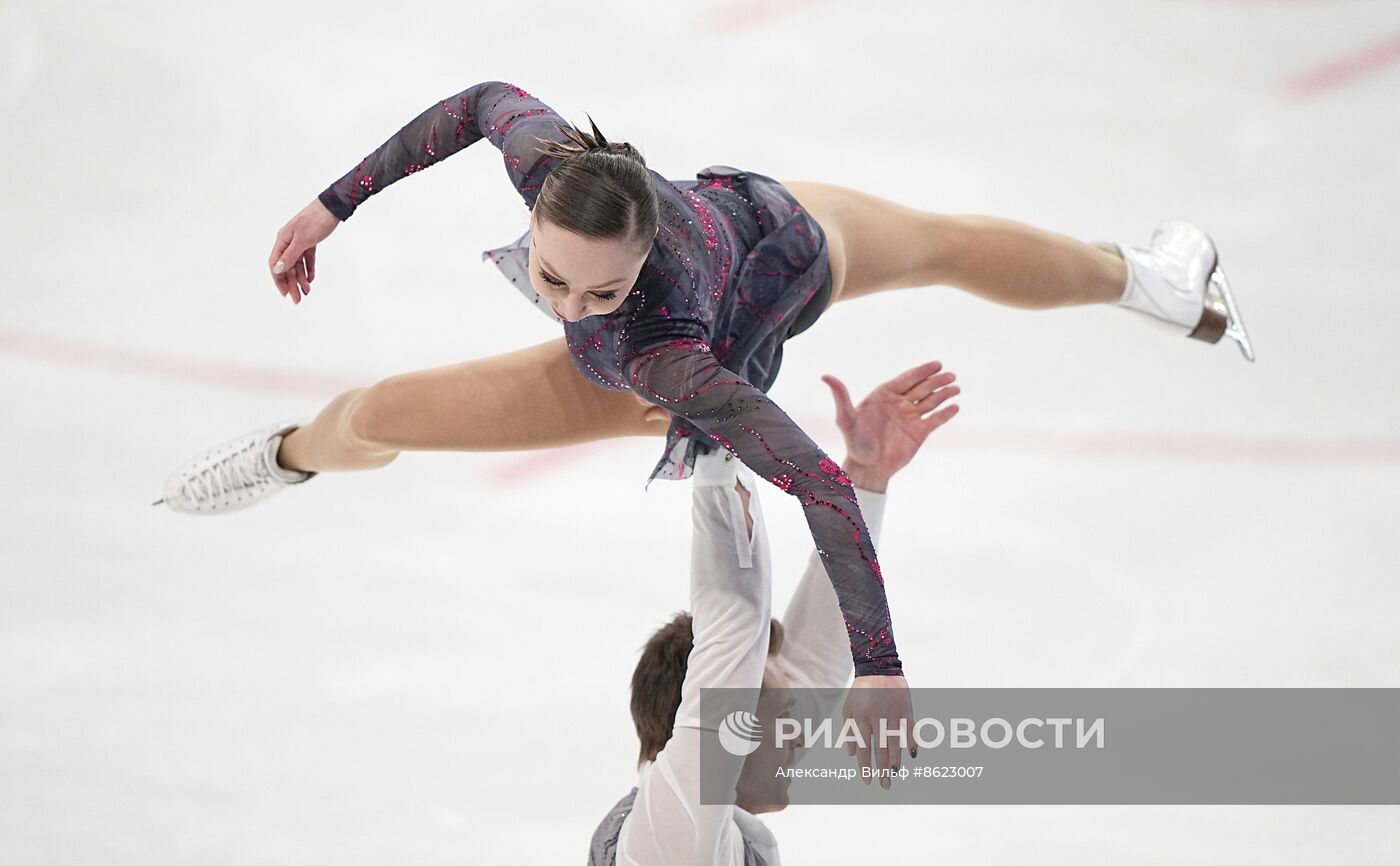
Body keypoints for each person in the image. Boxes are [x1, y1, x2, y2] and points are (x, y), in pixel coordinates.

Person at [157, 81, 1252, 750]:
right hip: (759, 221)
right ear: (546, 201)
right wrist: (330, 203)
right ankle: (287, 456)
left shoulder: (662, 353)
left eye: (600, 291)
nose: (571, 307)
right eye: (551, 282)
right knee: (378, 410)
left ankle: (1158, 285)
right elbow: (476, 100)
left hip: (781, 263)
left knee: (950, 243)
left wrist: (877, 666)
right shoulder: (550, 160)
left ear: (641, 256)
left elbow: (821, 485)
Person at [582, 357, 959, 866]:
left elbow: (815, 662)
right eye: (785, 717)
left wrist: (864, 479)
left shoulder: (699, 833)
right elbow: (733, 628)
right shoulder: (675, 846)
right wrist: (719, 439)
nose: (806, 731)